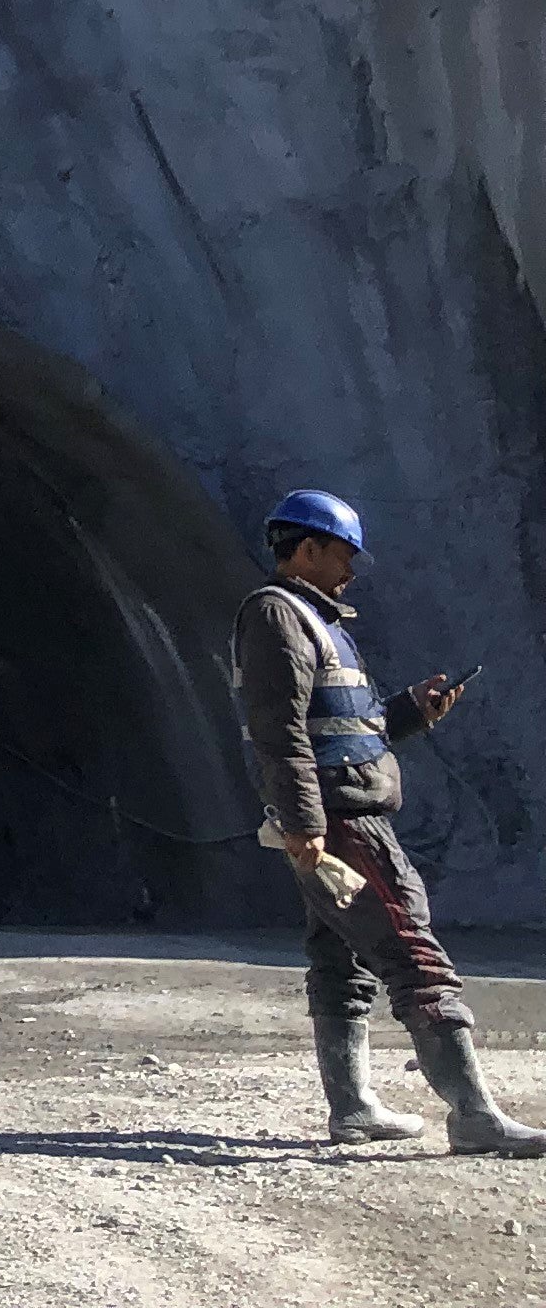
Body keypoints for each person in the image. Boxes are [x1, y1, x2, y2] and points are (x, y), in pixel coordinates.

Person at [240, 485, 545, 1153]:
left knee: (342, 958)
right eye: (344, 554)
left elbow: (346, 727)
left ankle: (353, 1108)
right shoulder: (276, 615)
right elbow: (280, 730)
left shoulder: (318, 622)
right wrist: (306, 826)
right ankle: (473, 1114)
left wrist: (409, 712)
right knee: (414, 952)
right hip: (342, 821)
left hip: (332, 815)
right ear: (308, 548)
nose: (352, 569)